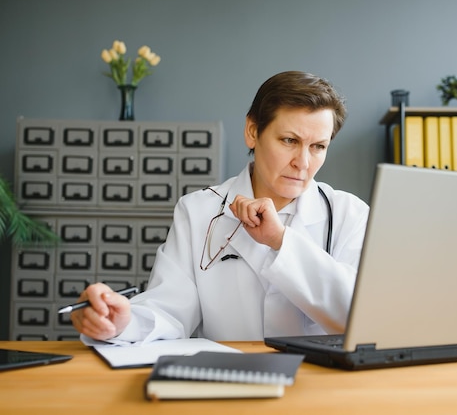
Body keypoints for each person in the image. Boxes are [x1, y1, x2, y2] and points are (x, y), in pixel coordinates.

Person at [71, 70, 370, 344]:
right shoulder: (198, 212)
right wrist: (123, 322)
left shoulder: (349, 216)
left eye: (318, 146)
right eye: (289, 140)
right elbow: (169, 311)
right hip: (229, 383)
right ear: (252, 131)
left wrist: (280, 241)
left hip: (318, 390)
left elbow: (361, 319)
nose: (303, 163)